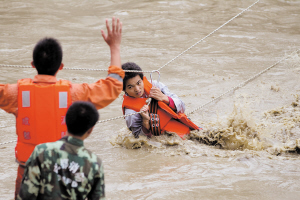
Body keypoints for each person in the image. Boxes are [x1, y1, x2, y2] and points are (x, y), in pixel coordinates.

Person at [0, 17, 123, 199]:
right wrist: (115, 47)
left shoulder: (15, 93)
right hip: (64, 172)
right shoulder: (74, 93)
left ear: (33, 65)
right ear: (61, 67)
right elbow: (112, 86)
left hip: (26, 172)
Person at [17, 101, 104, 200]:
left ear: (65, 121)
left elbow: (26, 195)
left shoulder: (41, 151)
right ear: (90, 130)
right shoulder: (94, 163)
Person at [121, 62, 199, 139]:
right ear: (124, 90)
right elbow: (139, 140)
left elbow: (182, 107)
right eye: (130, 87)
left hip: (186, 128)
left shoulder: (156, 86)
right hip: (166, 139)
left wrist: (165, 98)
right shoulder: (130, 112)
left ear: (142, 79)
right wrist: (145, 121)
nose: (137, 89)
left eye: (139, 83)